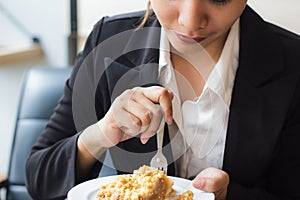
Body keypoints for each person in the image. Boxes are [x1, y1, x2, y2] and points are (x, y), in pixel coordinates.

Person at [25, 0, 300, 199]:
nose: (190, 21)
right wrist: (101, 133)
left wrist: (229, 195)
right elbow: (40, 178)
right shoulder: (107, 40)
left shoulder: (292, 63)